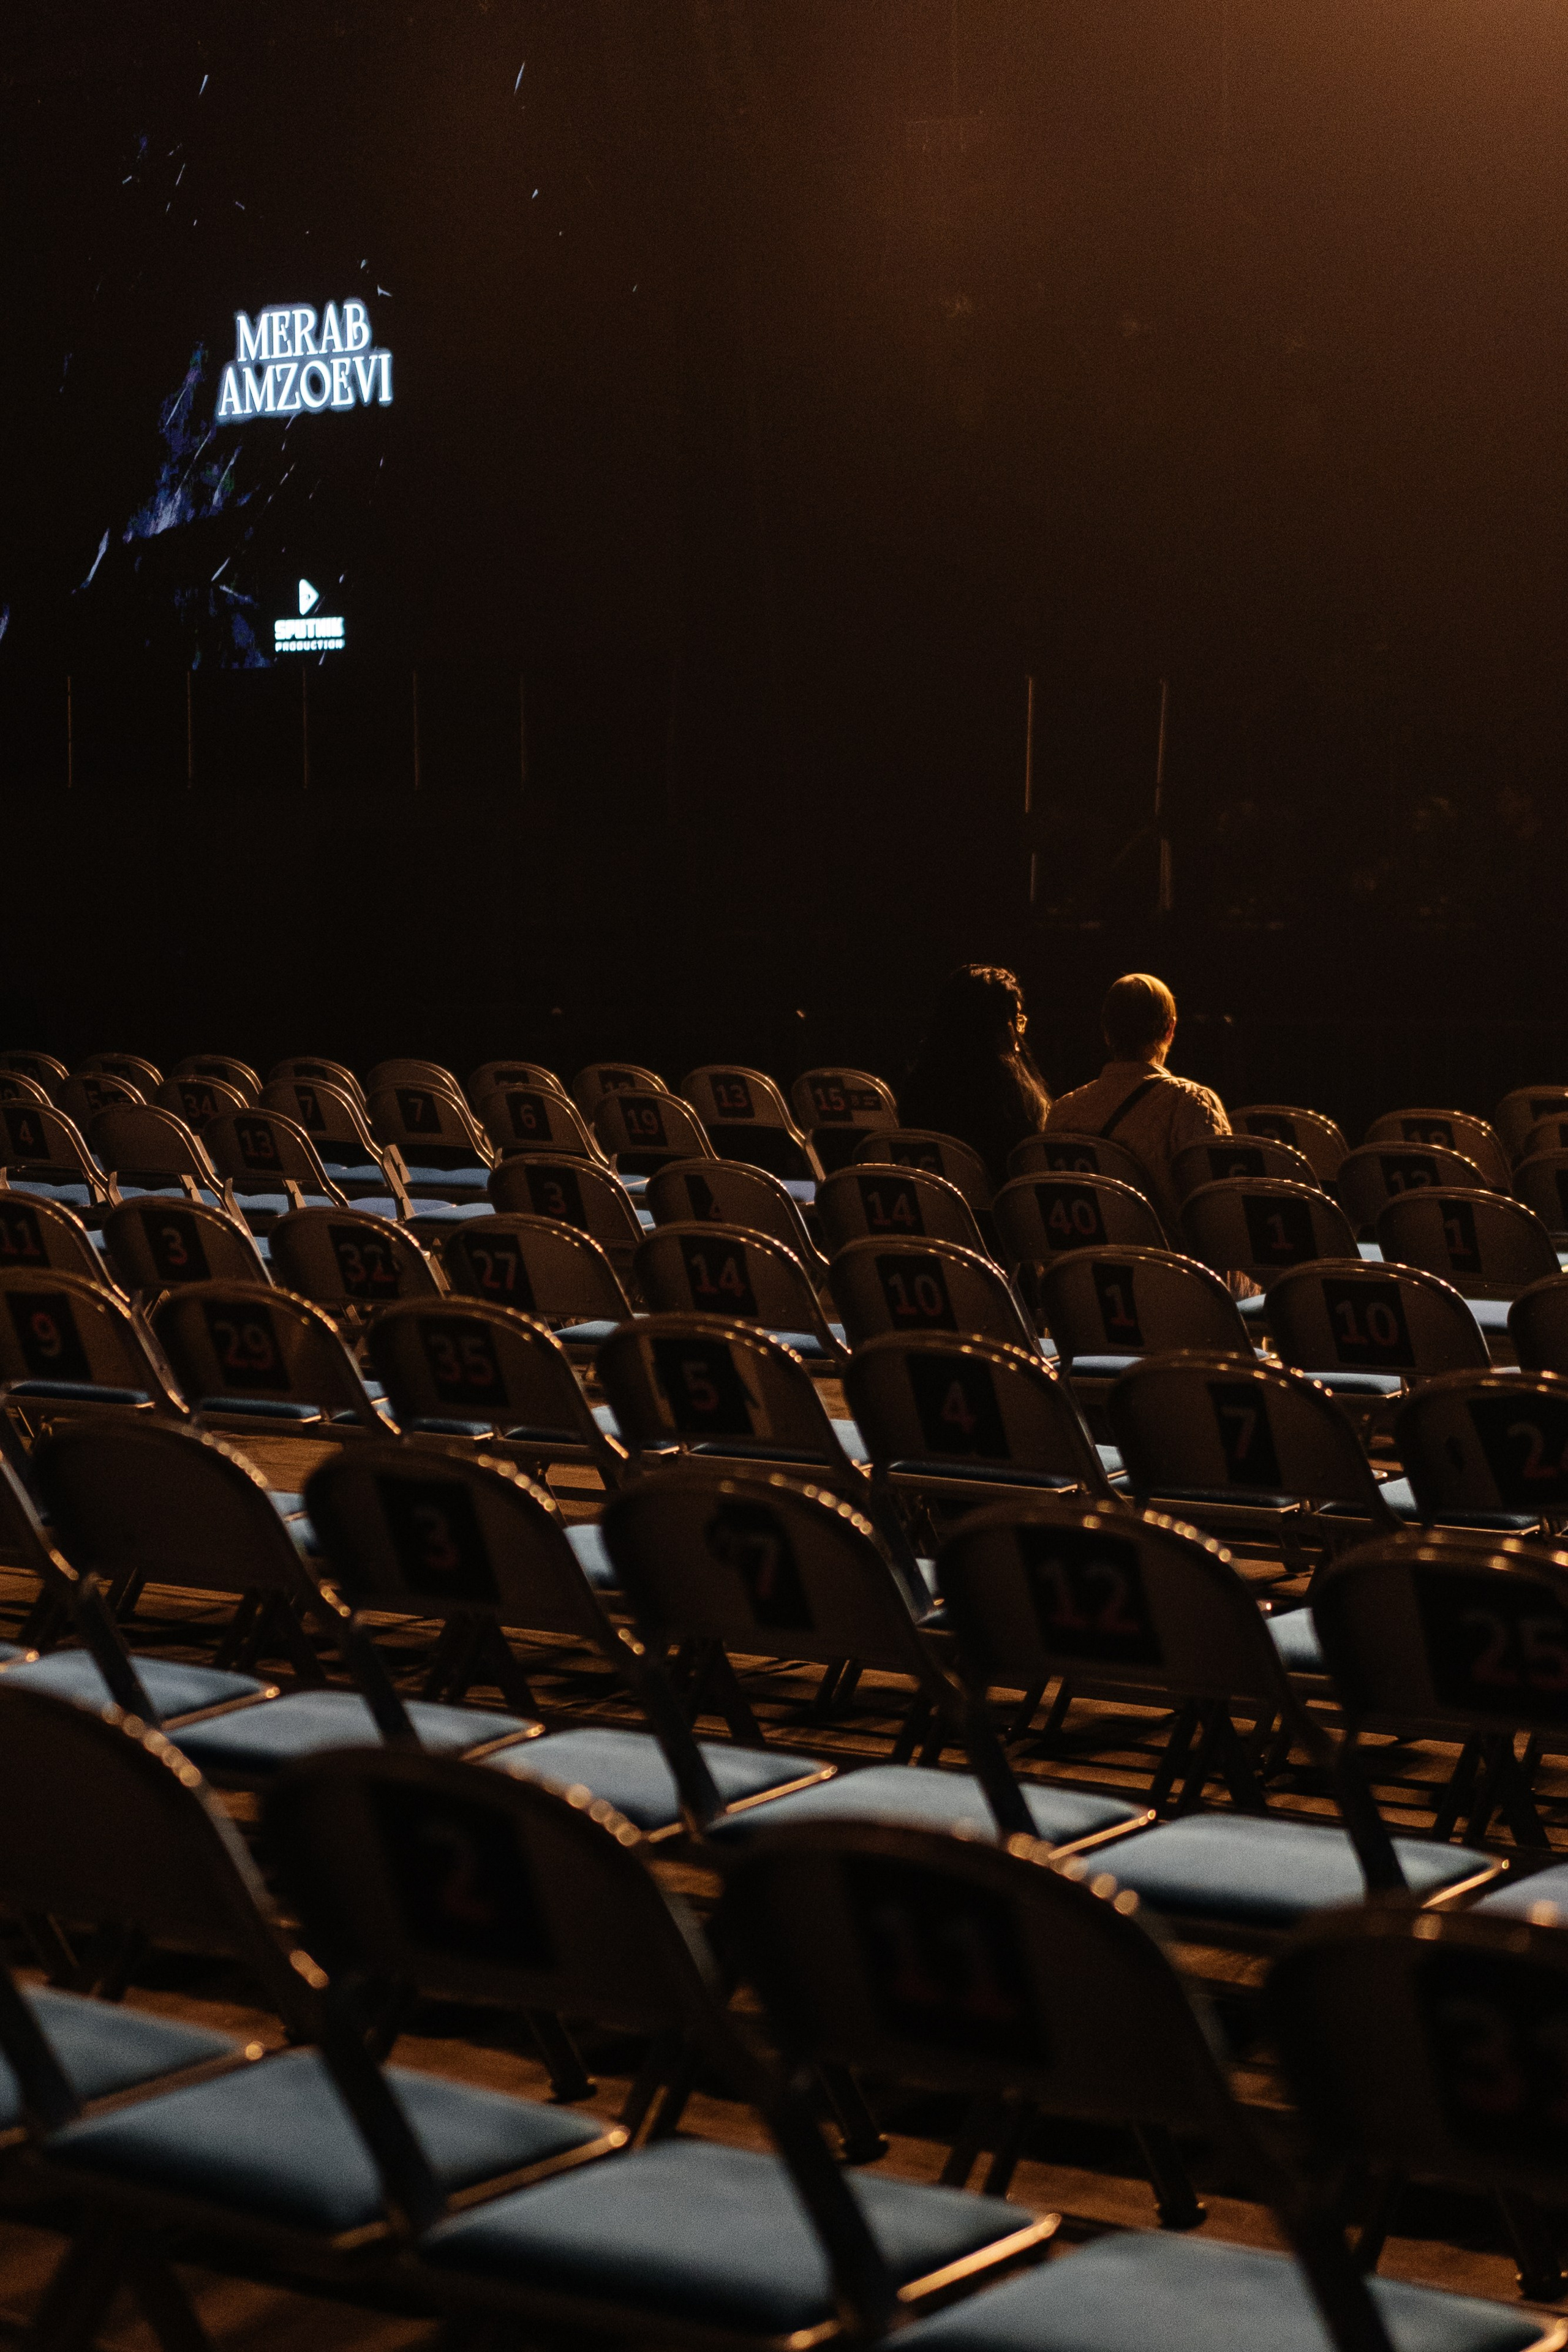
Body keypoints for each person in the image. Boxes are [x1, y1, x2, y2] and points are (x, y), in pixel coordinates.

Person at [1046, 973, 1227, 1234]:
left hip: (1086, 1269)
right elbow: (1220, 1215)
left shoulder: (1062, 1112)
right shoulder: (1191, 1103)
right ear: (1170, 1030)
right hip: (1169, 1270)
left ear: (1107, 1033)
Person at [901, 963, 1051, 1184]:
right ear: (996, 1029)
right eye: (1016, 1021)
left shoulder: (916, 1087)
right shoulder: (1012, 1099)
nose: (1019, 1037)